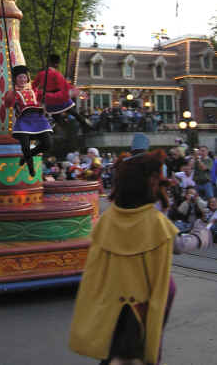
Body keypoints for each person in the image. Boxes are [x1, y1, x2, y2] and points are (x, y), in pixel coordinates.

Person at [69, 149, 211, 365]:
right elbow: (179, 245)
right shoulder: (155, 223)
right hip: (140, 306)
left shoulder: (107, 220)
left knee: (116, 353)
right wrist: (202, 235)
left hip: (111, 302)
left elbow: (94, 273)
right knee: (133, 356)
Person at [3, 65, 53, 177]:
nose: (22, 80)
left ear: (27, 78)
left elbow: (49, 97)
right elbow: (7, 104)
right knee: (25, 146)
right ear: (15, 79)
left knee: (48, 144)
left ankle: (26, 157)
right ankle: (31, 168)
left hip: (39, 119)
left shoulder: (34, 90)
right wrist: (11, 96)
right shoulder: (13, 92)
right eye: (20, 77)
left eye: (24, 77)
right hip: (24, 120)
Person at [32, 54, 91, 130]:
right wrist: (78, 91)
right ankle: (85, 125)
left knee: (56, 117)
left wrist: (38, 94)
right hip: (59, 96)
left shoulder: (41, 74)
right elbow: (65, 86)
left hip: (49, 99)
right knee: (74, 113)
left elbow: (33, 86)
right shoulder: (57, 74)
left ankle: (66, 129)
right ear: (56, 64)